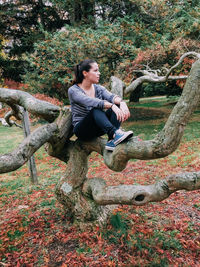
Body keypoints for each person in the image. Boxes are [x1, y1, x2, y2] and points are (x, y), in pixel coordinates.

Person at [68, 59, 133, 151]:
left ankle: (113, 139)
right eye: (95, 70)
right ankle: (114, 133)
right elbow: (91, 101)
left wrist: (122, 103)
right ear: (85, 73)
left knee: (117, 104)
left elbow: (112, 97)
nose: (99, 73)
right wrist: (112, 106)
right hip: (82, 130)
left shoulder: (98, 88)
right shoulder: (73, 90)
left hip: (98, 128)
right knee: (96, 109)